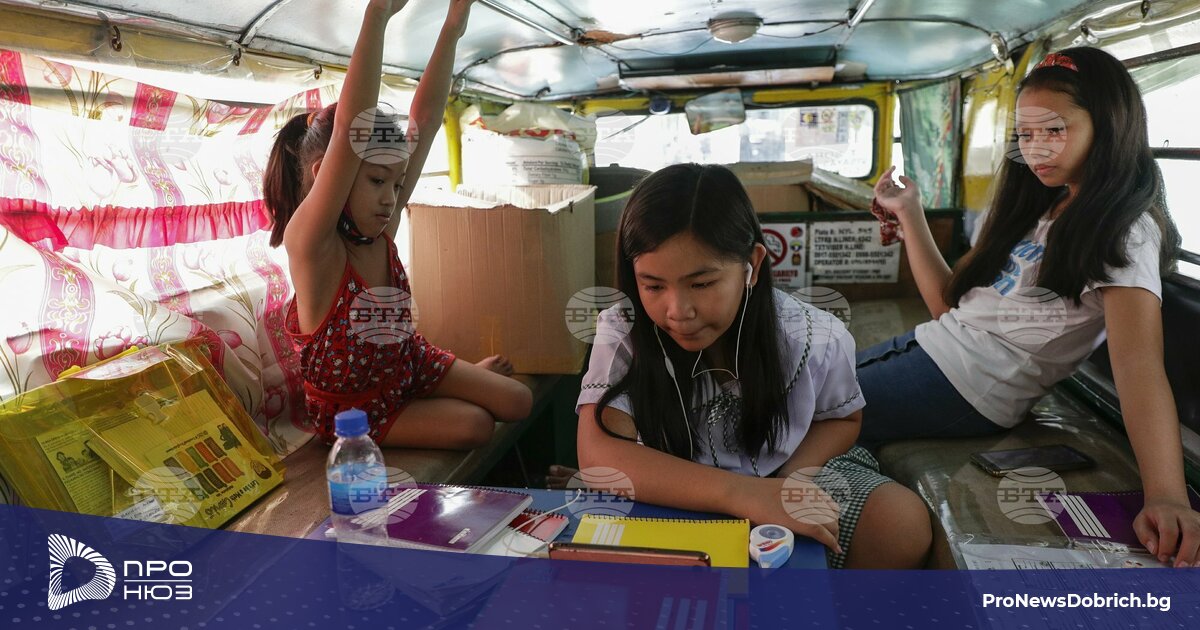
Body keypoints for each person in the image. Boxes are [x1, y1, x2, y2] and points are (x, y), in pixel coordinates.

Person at [858, 47, 1198, 567]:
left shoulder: (1124, 230)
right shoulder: (1044, 205)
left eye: (1054, 130)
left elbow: (1138, 366)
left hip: (969, 387)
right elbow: (951, 308)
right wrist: (909, 213)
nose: (1035, 149)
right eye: (1025, 134)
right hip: (934, 351)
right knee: (793, 389)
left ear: (1110, 126)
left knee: (795, 409)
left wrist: (1167, 495)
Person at [575, 164, 932, 569]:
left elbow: (842, 419)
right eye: (653, 285)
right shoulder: (623, 330)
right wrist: (745, 495)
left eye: (702, 284)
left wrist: (788, 485)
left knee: (900, 524)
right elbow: (599, 455)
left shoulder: (815, 337)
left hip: (785, 470)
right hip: (674, 484)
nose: (678, 311)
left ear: (752, 265)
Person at [265, 0, 531, 448]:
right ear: (328, 174)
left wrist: (453, 26)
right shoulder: (314, 246)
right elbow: (350, 126)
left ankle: (441, 386)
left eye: (398, 183)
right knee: (476, 425)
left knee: (519, 400)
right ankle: (443, 392)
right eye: (376, 181)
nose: (391, 199)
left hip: (408, 364)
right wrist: (379, 14)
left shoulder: (376, 229)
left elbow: (425, 120)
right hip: (355, 411)